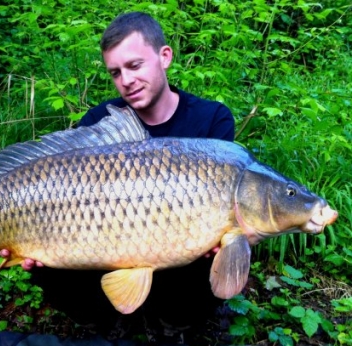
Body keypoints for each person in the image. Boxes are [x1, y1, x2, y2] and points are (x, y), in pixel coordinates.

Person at [17, 11, 235, 343]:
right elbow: (65, 191)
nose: (126, 81)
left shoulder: (211, 121)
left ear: (165, 57)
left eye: (134, 66)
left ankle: (174, 322)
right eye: (116, 73)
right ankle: (103, 320)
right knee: (46, 258)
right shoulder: (102, 120)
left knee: (220, 239)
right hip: (107, 243)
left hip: (181, 257)